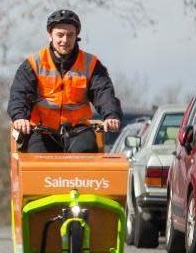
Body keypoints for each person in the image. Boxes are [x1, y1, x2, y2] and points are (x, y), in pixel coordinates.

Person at [7, 9, 122, 153]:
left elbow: (103, 93)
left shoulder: (91, 63)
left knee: (85, 152)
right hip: (42, 131)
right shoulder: (33, 63)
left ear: (76, 36)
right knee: (37, 163)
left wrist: (111, 115)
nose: (65, 40)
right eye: (60, 35)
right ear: (50, 35)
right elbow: (19, 94)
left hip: (78, 131)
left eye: (70, 35)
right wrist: (19, 117)